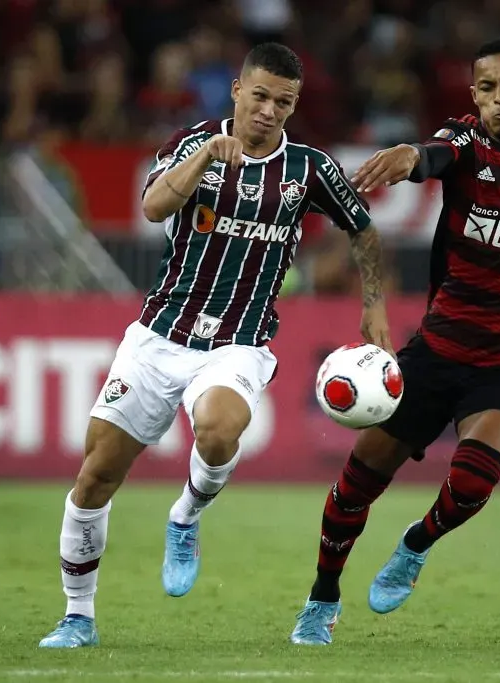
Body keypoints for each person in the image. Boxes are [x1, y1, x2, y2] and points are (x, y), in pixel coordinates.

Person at [38, 42, 392, 649]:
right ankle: (78, 616)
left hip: (240, 342)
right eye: (259, 96)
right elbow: (152, 207)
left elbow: (361, 228)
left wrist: (374, 302)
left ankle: (186, 516)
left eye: (284, 102)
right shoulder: (192, 142)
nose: (269, 111)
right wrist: (202, 160)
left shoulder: (308, 168)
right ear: (237, 90)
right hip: (158, 337)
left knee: (220, 430)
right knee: (95, 477)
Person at [289, 37, 500, 645]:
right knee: (358, 481)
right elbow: (435, 155)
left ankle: (416, 543)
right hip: (438, 351)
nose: (499, 100)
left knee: (472, 482)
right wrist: (410, 155)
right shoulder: (468, 138)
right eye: (487, 88)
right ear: (474, 95)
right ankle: (321, 596)